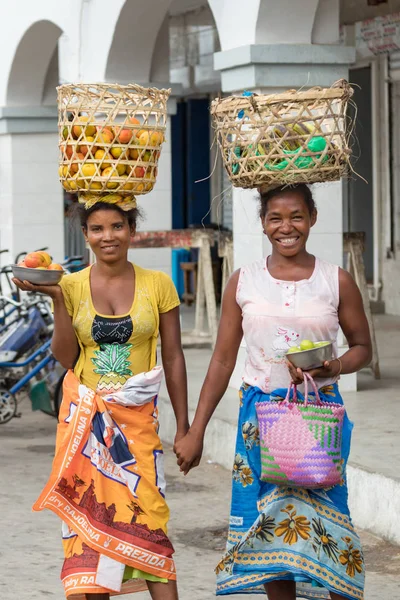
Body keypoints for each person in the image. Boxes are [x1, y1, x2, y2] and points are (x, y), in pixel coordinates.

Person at [174, 184, 371, 600]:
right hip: (259, 421)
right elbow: (223, 361)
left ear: (312, 218)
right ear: (263, 223)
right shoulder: (244, 281)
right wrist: (196, 430)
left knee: (333, 523)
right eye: (275, 218)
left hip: (318, 417)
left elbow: (363, 349)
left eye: (296, 216)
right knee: (268, 528)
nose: (287, 227)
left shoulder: (335, 280)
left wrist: (332, 366)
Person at [14, 201, 188, 600]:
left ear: (132, 230)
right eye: (97, 229)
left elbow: (174, 357)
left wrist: (186, 427)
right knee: (90, 534)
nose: (107, 236)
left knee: (150, 522)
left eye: (117, 227)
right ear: (86, 235)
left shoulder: (158, 284)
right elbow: (66, 358)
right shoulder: (71, 285)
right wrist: (57, 300)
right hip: (85, 430)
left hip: (138, 427)